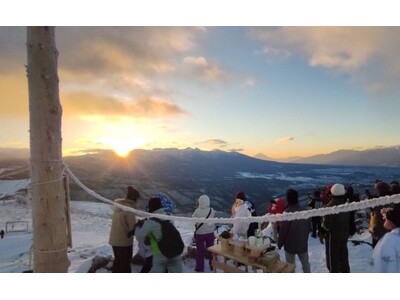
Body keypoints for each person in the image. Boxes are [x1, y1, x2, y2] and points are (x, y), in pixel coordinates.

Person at [134, 197, 183, 272]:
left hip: (156, 251)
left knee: (148, 267)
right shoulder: (167, 217)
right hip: (168, 249)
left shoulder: (151, 221)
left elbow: (139, 237)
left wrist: (137, 226)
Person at [278, 188, 311, 273]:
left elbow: (283, 231)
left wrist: (279, 243)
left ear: (288, 199)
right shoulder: (305, 212)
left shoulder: (287, 213)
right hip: (302, 243)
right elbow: (308, 228)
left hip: (290, 245)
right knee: (305, 263)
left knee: (290, 265)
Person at [108, 186, 140, 273]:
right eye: (137, 199)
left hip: (114, 240)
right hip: (124, 242)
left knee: (118, 261)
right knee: (125, 264)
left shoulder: (119, 206)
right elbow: (131, 228)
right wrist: (139, 225)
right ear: (134, 198)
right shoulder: (129, 209)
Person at [320, 183, 351, 273]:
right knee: (344, 258)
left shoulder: (330, 206)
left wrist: (322, 232)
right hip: (344, 234)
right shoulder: (347, 203)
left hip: (333, 237)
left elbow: (326, 225)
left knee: (333, 260)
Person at [371, 207, 400, 272]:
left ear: (392, 222)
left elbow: (381, 264)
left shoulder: (390, 239)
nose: (384, 219)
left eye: (386, 219)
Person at [192, 194, 215, 272]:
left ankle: (199, 267)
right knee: (211, 250)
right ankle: (212, 265)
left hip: (200, 234)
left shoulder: (197, 211)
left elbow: (194, 221)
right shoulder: (212, 210)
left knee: (200, 251)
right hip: (210, 233)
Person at [369, 181, 391, 248]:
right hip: (388, 232)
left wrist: (370, 198)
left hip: (378, 233)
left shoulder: (378, 203)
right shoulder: (391, 201)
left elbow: (372, 208)